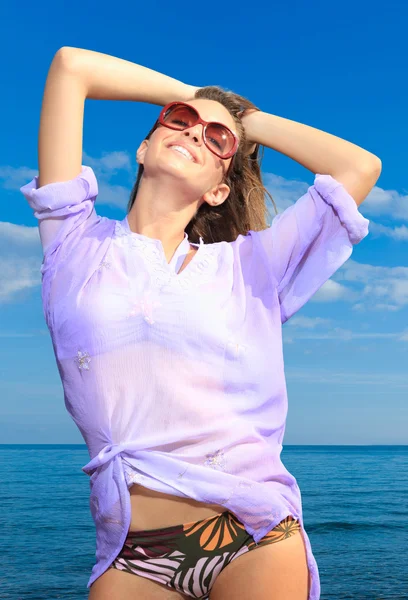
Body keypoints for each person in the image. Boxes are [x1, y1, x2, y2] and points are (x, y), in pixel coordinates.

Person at [20, 46, 381, 600]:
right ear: (144, 147)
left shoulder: (253, 266)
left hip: (252, 532)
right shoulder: (72, 241)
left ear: (219, 187)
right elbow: (72, 66)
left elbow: (358, 167)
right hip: (135, 556)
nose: (193, 132)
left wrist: (240, 119)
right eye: (179, 122)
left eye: (216, 141)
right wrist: (200, 101)